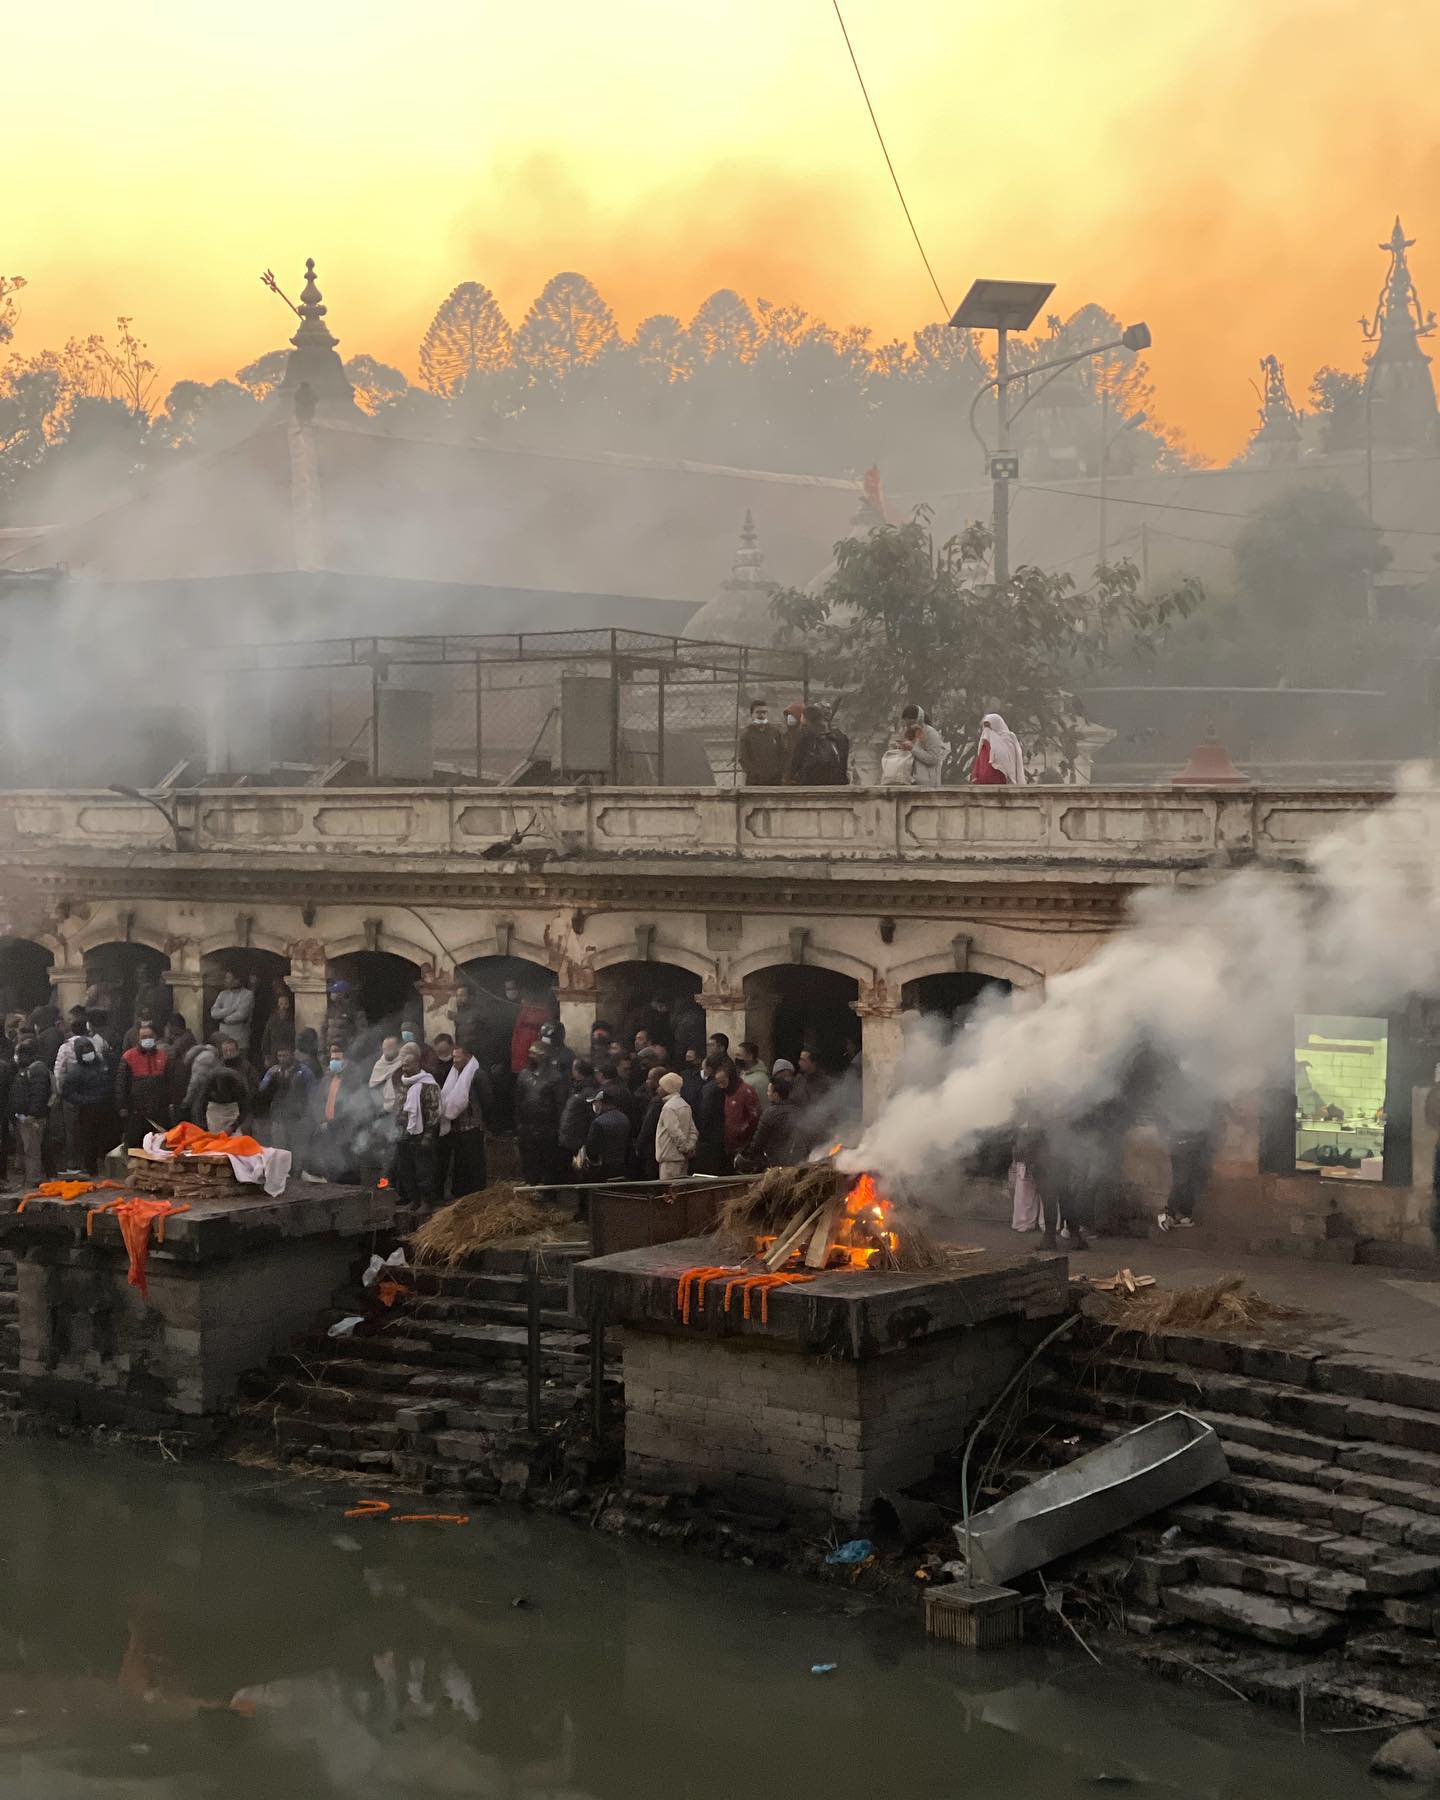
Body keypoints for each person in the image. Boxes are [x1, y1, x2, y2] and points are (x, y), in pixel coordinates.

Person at [437, 1042, 494, 1202]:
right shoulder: (455, 1074)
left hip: (473, 1126)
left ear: (467, 1056)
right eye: (453, 1057)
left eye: (457, 1057)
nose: (454, 1061)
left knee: (474, 1162)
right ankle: (461, 1194)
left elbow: (487, 1101)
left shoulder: (477, 1074)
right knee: (460, 1163)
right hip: (457, 1127)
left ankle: (477, 1195)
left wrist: (485, 1122)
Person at [390, 1043, 440, 1213]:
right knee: (406, 1170)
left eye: (408, 1065)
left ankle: (427, 1201)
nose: (404, 1068)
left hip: (421, 1136)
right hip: (403, 1135)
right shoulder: (403, 1083)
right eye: (403, 1065)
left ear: (417, 1064)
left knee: (423, 1171)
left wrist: (427, 1136)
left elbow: (433, 1113)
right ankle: (414, 1199)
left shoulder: (428, 1084)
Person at [1158, 1114, 1222, 1232]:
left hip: (1195, 1143)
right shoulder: (1177, 1105)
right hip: (1180, 1144)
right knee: (1181, 1180)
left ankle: (1185, 1215)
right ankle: (1169, 1214)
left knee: (1192, 1180)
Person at [305, 1042, 358, 1183]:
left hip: (344, 1131)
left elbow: (352, 1107)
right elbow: (317, 1102)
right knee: (330, 1163)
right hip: (326, 1129)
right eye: (332, 1059)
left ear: (346, 1061)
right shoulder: (326, 1080)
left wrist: (333, 1123)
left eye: (338, 1059)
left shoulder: (352, 1081)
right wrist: (322, 1120)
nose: (334, 1062)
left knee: (346, 1165)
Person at [514, 1040, 565, 1187]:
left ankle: (547, 1189)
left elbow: (559, 1103)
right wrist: (519, 1123)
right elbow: (518, 1100)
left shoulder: (555, 1077)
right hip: (527, 1127)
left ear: (543, 1055)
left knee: (547, 1161)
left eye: (534, 1053)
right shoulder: (524, 1074)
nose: (530, 1055)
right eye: (530, 1052)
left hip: (547, 1127)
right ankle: (530, 1184)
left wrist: (557, 1128)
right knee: (529, 1159)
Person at [61, 1036, 113, 1175]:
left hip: (104, 1107)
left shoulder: (102, 1065)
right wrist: (84, 1100)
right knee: (88, 1140)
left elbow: (108, 1082)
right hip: (86, 1110)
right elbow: (68, 1093)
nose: (88, 1053)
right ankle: (91, 1167)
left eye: (89, 1050)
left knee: (105, 1137)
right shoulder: (75, 1071)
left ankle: (104, 1164)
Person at [736, 1072, 803, 1172]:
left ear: (776, 1095)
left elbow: (758, 1141)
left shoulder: (770, 1114)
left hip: (773, 1163)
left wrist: (747, 1156)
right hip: (795, 1162)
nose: (767, 1094)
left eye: (768, 1091)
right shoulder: (799, 1111)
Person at [257, 1043, 315, 1158]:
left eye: (285, 1055)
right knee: (278, 1150)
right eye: (280, 1056)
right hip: (278, 1116)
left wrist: (308, 1114)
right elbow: (262, 1089)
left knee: (297, 1149)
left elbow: (313, 1092)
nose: (282, 1059)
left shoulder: (304, 1072)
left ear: (292, 1055)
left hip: (298, 1117)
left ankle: (297, 1173)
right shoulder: (274, 1071)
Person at [116, 1027, 169, 1147]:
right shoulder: (128, 1057)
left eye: (150, 1036)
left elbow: (167, 1082)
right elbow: (121, 1084)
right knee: (135, 1145)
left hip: (158, 1110)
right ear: (138, 1039)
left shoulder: (163, 1056)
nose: (147, 1040)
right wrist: (122, 1105)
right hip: (136, 1111)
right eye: (144, 1037)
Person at [11, 1037, 52, 1187]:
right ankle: (29, 1179)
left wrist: (32, 1114)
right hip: (24, 1116)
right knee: (27, 1149)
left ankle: (33, 1180)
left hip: (32, 1118)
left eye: (18, 1054)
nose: (16, 1058)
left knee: (32, 1150)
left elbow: (39, 1094)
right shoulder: (28, 1069)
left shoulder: (37, 1069)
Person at [194, 1039, 253, 1136]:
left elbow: (245, 1106)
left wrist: (233, 1127)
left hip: (235, 1110)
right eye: (226, 1051)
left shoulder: (241, 1079)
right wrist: (203, 1127)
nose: (229, 1053)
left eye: (231, 1050)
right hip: (214, 1112)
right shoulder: (211, 1078)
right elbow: (200, 1104)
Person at [579, 1086, 632, 1181]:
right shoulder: (624, 1118)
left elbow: (592, 1149)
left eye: (595, 1102)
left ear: (601, 1102)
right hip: (622, 1165)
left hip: (603, 1168)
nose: (594, 1106)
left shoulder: (598, 1122)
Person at [654, 1070, 698, 1181]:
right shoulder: (685, 1105)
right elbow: (693, 1131)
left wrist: (684, 1148)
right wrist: (690, 1146)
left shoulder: (669, 1107)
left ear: (667, 1088)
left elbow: (674, 1132)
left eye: (661, 1086)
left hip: (670, 1157)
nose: (658, 1089)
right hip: (683, 1158)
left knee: (669, 1192)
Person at [693, 1054, 731, 1175]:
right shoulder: (727, 1086)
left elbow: (705, 1113)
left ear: (710, 1069)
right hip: (722, 1135)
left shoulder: (710, 1088)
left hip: (710, 1138)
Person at [559, 1059, 601, 1164]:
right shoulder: (576, 1087)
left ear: (578, 1072)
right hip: (571, 1138)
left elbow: (592, 1115)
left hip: (578, 1140)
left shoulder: (588, 1091)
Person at [738, 698, 786, 786]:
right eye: (758, 712)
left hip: (775, 780)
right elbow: (743, 758)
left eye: (764, 712)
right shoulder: (746, 734)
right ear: (752, 714)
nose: (761, 715)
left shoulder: (776, 732)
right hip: (755, 781)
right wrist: (755, 775)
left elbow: (782, 753)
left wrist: (778, 772)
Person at [971, 712, 1027, 787]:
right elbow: (979, 761)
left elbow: (1007, 762)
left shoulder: (1008, 739)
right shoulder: (986, 741)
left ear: (996, 724)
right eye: (985, 726)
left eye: (989, 726)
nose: (987, 729)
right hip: (984, 785)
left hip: (1002, 782)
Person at [721, 1059, 761, 1162]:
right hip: (728, 1145)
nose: (720, 1086)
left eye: (723, 1082)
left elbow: (754, 1118)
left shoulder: (746, 1091)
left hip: (742, 1145)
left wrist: (741, 1132)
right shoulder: (726, 1093)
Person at [210, 969, 255, 1052]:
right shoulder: (223, 994)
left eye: (228, 978)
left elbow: (241, 1015)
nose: (225, 980)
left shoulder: (247, 994)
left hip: (239, 1039)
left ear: (237, 980)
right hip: (223, 1037)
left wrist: (224, 1018)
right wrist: (230, 1010)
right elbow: (213, 1013)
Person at [510, 988, 552, 1074]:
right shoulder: (524, 1011)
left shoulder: (542, 1010)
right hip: (523, 1045)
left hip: (533, 1044)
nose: (522, 1001)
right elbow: (517, 1030)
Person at [259, 993, 296, 1069]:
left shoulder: (293, 1019)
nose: (283, 1006)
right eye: (281, 1004)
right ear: (278, 1005)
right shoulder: (272, 1020)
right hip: (274, 1054)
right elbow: (266, 1038)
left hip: (288, 1054)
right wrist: (266, 1057)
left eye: (286, 1004)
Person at [369, 1035, 403, 1117]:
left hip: (401, 1108)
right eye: (385, 1048)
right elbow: (373, 1087)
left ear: (397, 1047)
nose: (387, 1051)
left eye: (390, 1048)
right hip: (383, 1110)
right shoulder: (379, 1065)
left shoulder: (404, 1062)